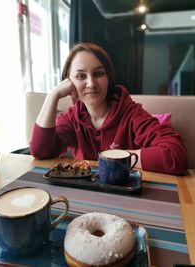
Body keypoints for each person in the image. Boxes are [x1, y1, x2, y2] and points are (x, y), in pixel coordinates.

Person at [30, 42, 188, 175]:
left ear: (108, 78)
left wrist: (116, 158)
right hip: (86, 195)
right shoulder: (72, 118)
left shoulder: (130, 112)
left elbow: (176, 155)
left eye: (98, 73)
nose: (91, 83)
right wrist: (52, 96)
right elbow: (41, 151)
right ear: (68, 82)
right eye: (80, 76)